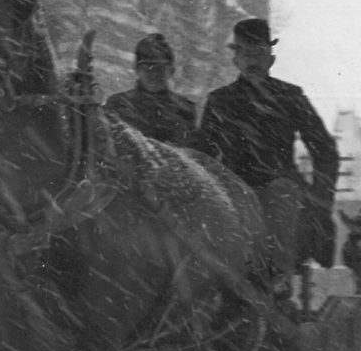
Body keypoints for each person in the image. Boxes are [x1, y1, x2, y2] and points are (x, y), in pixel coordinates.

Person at [198, 18, 339, 293]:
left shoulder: (290, 97)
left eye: (259, 54)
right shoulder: (220, 102)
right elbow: (202, 154)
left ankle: (278, 277)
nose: (254, 62)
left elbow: (325, 149)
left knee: (282, 195)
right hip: (232, 191)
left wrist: (321, 200)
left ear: (271, 58)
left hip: (280, 189)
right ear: (235, 59)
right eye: (246, 54)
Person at [104, 33, 198, 147]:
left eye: (160, 68)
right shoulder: (118, 105)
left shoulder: (186, 110)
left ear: (171, 71)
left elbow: (192, 155)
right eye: (147, 68)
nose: (153, 74)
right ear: (137, 70)